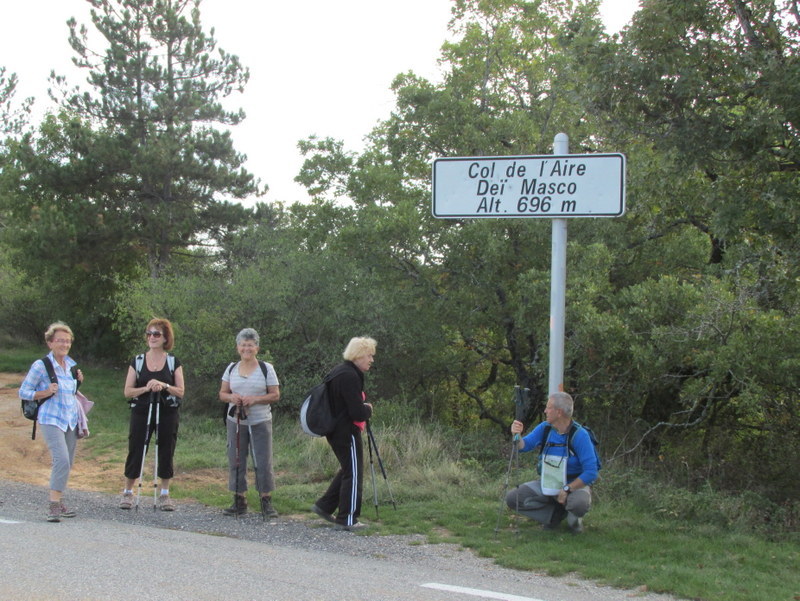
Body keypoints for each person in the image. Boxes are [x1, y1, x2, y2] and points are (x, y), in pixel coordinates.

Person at [18, 322, 85, 522]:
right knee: (62, 460)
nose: (64, 344)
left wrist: (79, 381)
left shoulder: (72, 365)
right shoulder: (41, 366)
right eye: (60, 341)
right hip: (50, 418)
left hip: (70, 419)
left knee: (68, 462)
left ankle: (60, 501)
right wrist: (44, 392)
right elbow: (23, 391)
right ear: (50, 343)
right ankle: (53, 504)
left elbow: (70, 392)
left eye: (67, 341)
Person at [505, 391, 598, 533]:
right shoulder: (545, 428)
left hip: (574, 484)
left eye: (548, 408)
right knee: (513, 498)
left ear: (559, 412)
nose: (545, 411)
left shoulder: (580, 435)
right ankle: (554, 517)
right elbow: (523, 447)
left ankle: (574, 521)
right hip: (548, 483)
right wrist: (516, 435)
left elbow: (591, 472)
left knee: (578, 504)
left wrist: (567, 489)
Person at [119, 318, 185, 511]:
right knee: (136, 448)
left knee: (166, 449)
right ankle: (128, 492)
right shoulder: (137, 361)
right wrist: (146, 388)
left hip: (167, 412)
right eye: (149, 333)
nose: (152, 337)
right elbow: (128, 391)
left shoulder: (173, 362)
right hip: (141, 411)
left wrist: (164, 385)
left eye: (156, 334)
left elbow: (180, 391)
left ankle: (165, 494)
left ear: (165, 338)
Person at [311, 336, 376, 531]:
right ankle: (347, 519)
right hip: (346, 431)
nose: (371, 360)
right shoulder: (350, 376)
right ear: (358, 355)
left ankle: (324, 506)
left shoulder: (339, 371)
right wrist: (368, 409)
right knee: (354, 473)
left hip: (335, 430)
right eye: (369, 355)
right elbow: (355, 411)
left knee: (349, 469)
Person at [219, 328, 281, 518]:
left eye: (250, 345)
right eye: (243, 345)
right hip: (236, 420)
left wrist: (254, 399)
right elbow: (222, 394)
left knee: (263, 460)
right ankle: (239, 500)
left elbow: (275, 395)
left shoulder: (266, 368)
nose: (247, 348)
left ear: (257, 348)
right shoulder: (231, 368)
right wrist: (232, 397)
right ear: (238, 347)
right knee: (236, 458)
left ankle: (266, 501)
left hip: (260, 421)